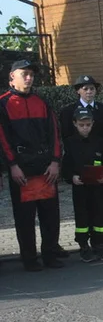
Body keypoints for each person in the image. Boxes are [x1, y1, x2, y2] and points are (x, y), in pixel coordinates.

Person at [0, 60, 65, 270]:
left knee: (50, 214)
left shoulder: (42, 102)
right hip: (22, 169)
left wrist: (55, 162)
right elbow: (3, 138)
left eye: (31, 75)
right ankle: (29, 258)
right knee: (25, 217)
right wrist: (12, 165)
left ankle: (50, 254)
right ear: (12, 77)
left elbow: (55, 133)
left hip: (45, 168)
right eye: (24, 74)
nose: (29, 78)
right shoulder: (3, 103)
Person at [62, 107, 103, 262]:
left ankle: (101, 243)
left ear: (93, 123)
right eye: (82, 125)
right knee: (82, 217)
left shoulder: (100, 141)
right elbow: (66, 165)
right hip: (80, 187)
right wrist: (72, 177)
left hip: (98, 187)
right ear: (75, 124)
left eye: (88, 125)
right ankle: (83, 245)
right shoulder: (70, 142)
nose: (85, 128)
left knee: (100, 215)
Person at [60, 75, 103, 142]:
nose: (89, 91)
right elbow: (66, 135)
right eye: (85, 89)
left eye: (92, 88)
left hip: (100, 150)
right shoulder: (68, 111)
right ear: (78, 91)